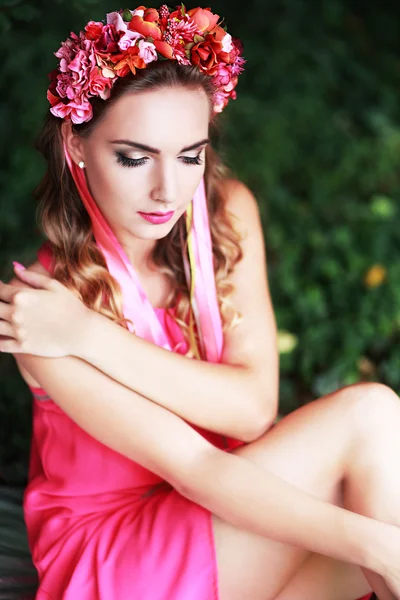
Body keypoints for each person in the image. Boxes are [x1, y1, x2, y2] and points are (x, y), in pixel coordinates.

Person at [0, 4, 398, 600]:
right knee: (368, 418)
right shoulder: (42, 305)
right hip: (119, 561)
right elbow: (198, 468)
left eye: (190, 155)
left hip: (229, 514)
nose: (169, 190)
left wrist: (88, 336)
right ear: (76, 145)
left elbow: (250, 409)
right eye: (134, 158)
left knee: (375, 474)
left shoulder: (224, 215)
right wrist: (378, 546)